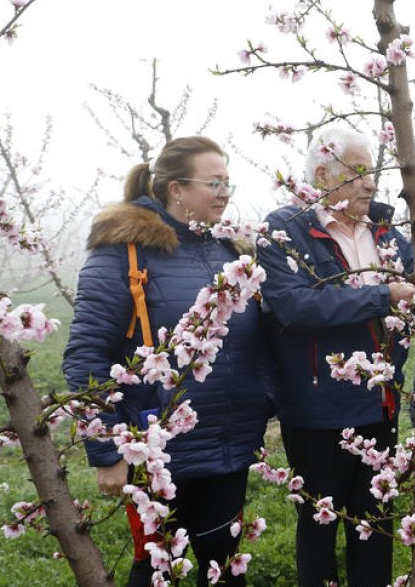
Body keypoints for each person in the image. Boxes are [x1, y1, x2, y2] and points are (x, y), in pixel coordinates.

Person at [62, 136, 274, 586]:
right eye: (213, 183)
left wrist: (265, 397)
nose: (224, 193)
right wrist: (104, 451)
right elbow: (86, 355)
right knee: (156, 569)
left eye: (228, 183)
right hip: (157, 451)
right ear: (176, 188)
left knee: (223, 568)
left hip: (229, 444)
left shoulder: (231, 251)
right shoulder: (125, 251)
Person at [258, 129, 415, 587]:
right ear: (323, 174)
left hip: (380, 401)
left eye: (374, 174)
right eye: (359, 173)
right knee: (320, 526)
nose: (371, 184)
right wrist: (381, 297)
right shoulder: (284, 230)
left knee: (376, 523)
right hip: (318, 409)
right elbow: (296, 306)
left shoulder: (385, 232)